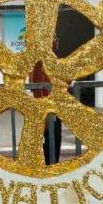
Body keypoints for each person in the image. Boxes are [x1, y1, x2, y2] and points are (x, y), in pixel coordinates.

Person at [30, 35, 62, 164]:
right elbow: (37, 88)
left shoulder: (51, 60)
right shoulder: (39, 63)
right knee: (50, 142)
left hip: (55, 108)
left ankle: (52, 165)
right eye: (54, 38)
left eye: (56, 38)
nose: (56, 41)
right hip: (47, 110)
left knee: (55, 141)